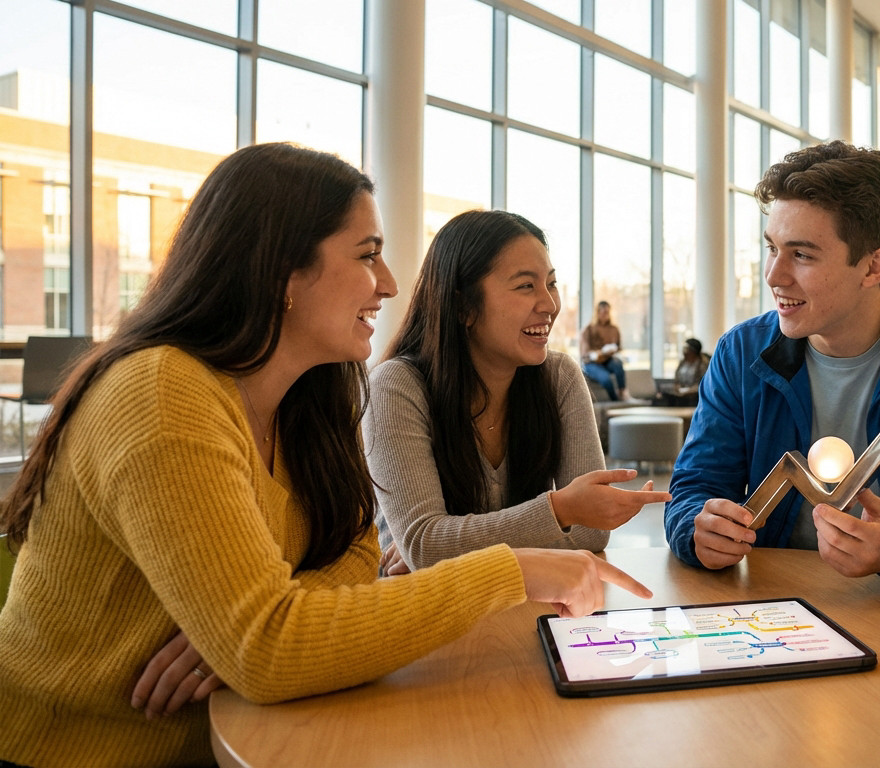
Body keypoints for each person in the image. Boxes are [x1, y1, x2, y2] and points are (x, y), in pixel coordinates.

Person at [0, 144, 649, 768]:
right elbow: (272, 649)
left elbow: (352, 561)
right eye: (368, 256)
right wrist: (510, 570)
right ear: (282, 270)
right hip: (84, 752)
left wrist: (247, 626)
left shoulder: (313, 395)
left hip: (249, 734)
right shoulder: (163, 393)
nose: (391, 284)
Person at [664, 140, 880, 586]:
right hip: (764, 606)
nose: (774, 275)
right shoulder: (740, 354)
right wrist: (696, 530)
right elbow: (694, 490)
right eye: (772, 248)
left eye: (802, 254)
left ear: (873, 267)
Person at [365, 210, 670, 572]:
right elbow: (427, 545)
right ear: (464, 306)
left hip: (526, 603)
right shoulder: (397, 386)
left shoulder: (559, 377)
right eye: (526, 286)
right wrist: (560, 511)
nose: (550, 304)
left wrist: (454, 546)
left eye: (551, 284)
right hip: (426, 616)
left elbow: (591, 533)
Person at [580, 300, 625, 400]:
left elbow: (619, 347)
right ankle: (615, 400)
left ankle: (623, 392)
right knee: (606, 378)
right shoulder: (589, 329)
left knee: (618, 364)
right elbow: (584, 354)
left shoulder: (614, 329)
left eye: (607, 312)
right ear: (597, 312)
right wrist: (597, 353)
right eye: (603, 312)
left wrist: (611, 350)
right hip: (591, 362)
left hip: (607, 360)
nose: (606, 315)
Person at [652, 337, 710, 407]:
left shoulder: (703, 364)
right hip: (680, 392)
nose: (684, 351)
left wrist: (689, 391)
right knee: (661, 394)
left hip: (694, 394)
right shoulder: (682, 363)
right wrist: (678, 387)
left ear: (693, 350)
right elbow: (677, 380)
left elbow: (703, 384)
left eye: (686, 348)